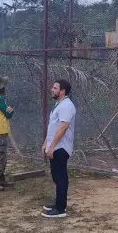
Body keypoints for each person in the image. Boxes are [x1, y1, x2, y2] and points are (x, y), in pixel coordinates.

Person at [41, 79, 76, 219]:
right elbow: (53, 127)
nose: (52, 89)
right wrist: (46, 143)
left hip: (61, 147)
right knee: (56, 176)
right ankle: (58, 203)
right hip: (55, 146)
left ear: (62, 91)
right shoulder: (59, 105)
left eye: (55, 88)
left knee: (61, 177)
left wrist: (52, 146)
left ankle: (60, 209)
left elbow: (62, 128)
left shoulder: (66, 106)